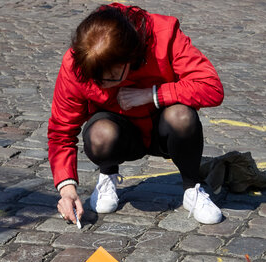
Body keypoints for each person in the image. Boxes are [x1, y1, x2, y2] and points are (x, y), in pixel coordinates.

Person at [48, 2, 225, 225]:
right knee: (99, 134)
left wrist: (153, 94)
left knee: (182, 116)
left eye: (110, 78)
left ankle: (192, 189)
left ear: (129, 59)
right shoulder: (77, 63)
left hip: (162, 127)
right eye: (96, 80)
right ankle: (107, 175)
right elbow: (61, 131)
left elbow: (212, 87)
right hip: (119, 131)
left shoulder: (164, 36)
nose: (102, 86)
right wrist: (67, 189)